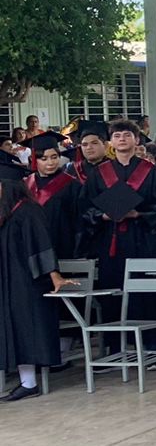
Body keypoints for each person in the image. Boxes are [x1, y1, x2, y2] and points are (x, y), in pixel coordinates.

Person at [0, 163, 76, 401]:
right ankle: (25, 382)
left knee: (25, 330)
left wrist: (54, 274)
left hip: (27, 284)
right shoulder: (6, 213)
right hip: (7, 283)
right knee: (10, 331)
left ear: (9, 187)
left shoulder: (28, 211)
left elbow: (43, 245)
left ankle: (29, 383)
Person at [79, 118, 156, 295]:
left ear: (137, 140)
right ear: (111, 142)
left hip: (142, 239)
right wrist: (102, 216)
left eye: (127, 135)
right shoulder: (99, 172)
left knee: (144, 293)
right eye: (117, 135)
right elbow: (84, 207)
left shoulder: (151, 171)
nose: (122, 139)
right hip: (110, 239)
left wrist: (138, 214)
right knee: (112, 291)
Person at [24, 132, 82, 259]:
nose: (50, 163)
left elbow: (79, 220)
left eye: (54, 157)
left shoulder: (71, 184)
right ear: (34, 160)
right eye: (44, 159)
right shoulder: (26, 184)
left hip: (62, 245)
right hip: (32, 246)